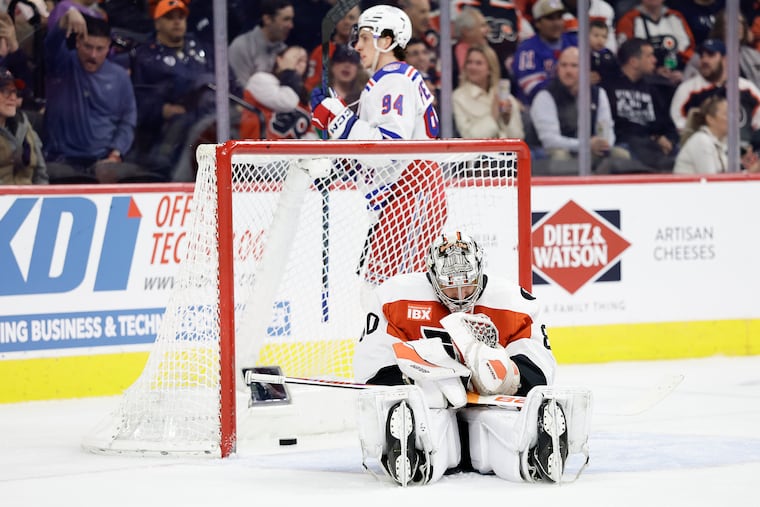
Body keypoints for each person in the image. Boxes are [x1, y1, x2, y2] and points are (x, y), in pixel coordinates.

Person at [354, 231, 590, 486]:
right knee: (430, 423)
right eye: (449, 284)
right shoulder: (394, 297)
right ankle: (414, 456)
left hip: (487, 399)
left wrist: (508, 377)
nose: (459, 294)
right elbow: (373, 358)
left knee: (497, 430)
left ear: (480, 269)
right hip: (431, 400)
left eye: (466, 283)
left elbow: (539, 364)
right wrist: (407, 385)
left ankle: (533, 455)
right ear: (431, 274)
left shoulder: (514, 302)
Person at [310, 4, 443, 284]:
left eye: (365, 38)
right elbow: (370, 150)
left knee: (390, 296)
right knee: (384, 294)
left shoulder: (394, 80)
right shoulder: (388, 80)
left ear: (386, 41)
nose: (357, 45)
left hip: (409, 195)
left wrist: (339, 119)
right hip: (402, 198)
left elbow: (387, 149)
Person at [129, 0, 234, 180]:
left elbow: (229, 80)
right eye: (170, 18)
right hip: (166, 133)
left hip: (211, 120)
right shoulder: (145, 56)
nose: (177, 22)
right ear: (157, 23)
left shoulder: (203, 50)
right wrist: (162, 110)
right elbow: (137, 99)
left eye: (181, 17)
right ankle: (177, 180)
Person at [43, 10, 141, 183]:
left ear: (109, 46)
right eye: (88, 47)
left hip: (103, 161)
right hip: (62, 160)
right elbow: (50, 46)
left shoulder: (119, 76)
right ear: (78, 42)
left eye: (100, 48)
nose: (93, 55)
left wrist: (116, 153)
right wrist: (63, 22)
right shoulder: (62, 64)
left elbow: (128, 119)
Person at [531, 47, 629, 174]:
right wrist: (585, 144)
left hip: (591, 150)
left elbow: (607, 127)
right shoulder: (545, 96)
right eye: (564, 65)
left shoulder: (598, 94)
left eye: (574, 66)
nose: (568, 71)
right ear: (557, 68)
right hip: (559, 152)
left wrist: (603, 144)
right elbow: (550, 140)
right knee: (560, 157)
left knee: (621, 156)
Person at [670, 39, 760, 152]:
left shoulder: (746, 88)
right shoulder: (688, 89)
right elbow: (679, 125)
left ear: (725, 59)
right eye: (702, 55)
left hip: (744, 151)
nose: (704, 60)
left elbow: (758, 122)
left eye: (711, 55)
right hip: (703, 152)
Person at [603, 38, 678, 172]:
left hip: (653, 146)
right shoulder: (609, 88)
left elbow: (668, 126)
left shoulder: (653, 89)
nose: (654, 60)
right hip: (625, 145)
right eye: (649, 56)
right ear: (634, 62)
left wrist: (668, 140)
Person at [240, 44, 315, 141]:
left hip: (289, 154)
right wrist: (290, 75)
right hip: (256, 150)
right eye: (295, 55)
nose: (299, 60)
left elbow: (311, 135)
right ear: (279, 59)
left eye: (304, 60)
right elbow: (287, 103)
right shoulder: (260, 80)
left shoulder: (306, 100)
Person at [511, 0, 577, 105]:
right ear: (538, 23)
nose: (556, 23)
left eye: (559, 17)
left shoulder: (574, 42)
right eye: (550, 18)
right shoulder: (527, 49)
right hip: (536, 109)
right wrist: (570, 85)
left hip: (572, 107)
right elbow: (532, 89)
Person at [615, 0, 695, 86]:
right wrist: (653, 70)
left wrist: (682, 72)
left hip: (677, 74)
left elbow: (689, 50)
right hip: (644, 79)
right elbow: (626, 53)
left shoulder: (676, 17)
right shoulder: (629, 19)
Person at [453, 44, 523, 139]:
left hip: (507, 151)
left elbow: (519, 137)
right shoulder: (458, 97)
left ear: (490, 69)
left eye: (479, 63)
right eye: (469, 62)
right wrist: (493, 116)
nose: (472, 67)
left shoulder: (505, 96)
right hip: (479, 153)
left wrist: (507, 120)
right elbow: (468, 137)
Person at [228, 0, 293, 89]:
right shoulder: (241, 47)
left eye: (291, 19)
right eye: (286, 19)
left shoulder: (285, 50)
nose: (290, 25)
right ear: (267, 19)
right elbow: (240, 92)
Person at [0, 67, 47, 184]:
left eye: (14, 92)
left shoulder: (23, 123)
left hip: (29, 198)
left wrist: (42, 197)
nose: (12, 98)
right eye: (6, 91)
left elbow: (40, 172)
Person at [303, 4, 359, 94]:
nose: (347, 22)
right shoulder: (321, 51)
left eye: (351, 18)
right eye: (341, 17)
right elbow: (310, 86)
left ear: (358, 22)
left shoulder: (364, 51)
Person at [589, 19, 618, 86]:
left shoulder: (609, 55)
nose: (600, 40)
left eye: (604, 37)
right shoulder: (579, 54)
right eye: (596, 35)